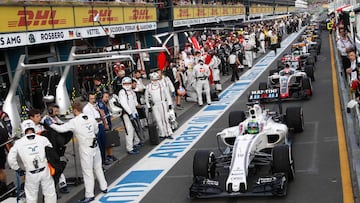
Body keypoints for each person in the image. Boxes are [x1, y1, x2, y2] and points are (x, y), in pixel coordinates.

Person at [48, 101, 107, 203]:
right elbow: (96, 130)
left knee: (87, 172)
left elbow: (61, 129)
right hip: (95, 144)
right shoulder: (90, 117)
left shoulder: (75, 121)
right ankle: (104, 187)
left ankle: (89, 194)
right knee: (98, 167)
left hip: (86, 148)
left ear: (75, 110)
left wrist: (50, 124)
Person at [7, 119, 57, 203]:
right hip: (44, 170)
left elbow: (10, 158)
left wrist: (17, 168)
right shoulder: (43, 139)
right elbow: (52, 152)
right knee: (50, 194)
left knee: (31, 197)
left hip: (31, 173)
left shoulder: (19, 143)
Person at [41, 104, 70, 194]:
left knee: (58, 165)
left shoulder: (55, 118)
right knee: (53, 166)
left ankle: (62, 184)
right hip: (48, 147)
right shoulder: (46, 119)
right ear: (50, 110)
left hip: (56, 145)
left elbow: (62, 124)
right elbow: (55, 127)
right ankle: (53, 188)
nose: (57, 113)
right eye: (55, 111)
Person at [83, 92, 109, 166]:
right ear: (88, 99)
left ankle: (103, 159)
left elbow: (102, 114)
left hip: (100, 125)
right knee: (99, 145)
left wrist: (105, 123)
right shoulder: (87, 108)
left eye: (94, 98)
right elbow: (90, 119)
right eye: (91, 99)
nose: (93, 100)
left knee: (104, 143)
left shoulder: (96, 106)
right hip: (94, 127)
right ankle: (99, 162)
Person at [145, 72, 174, 140]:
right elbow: (146, 97)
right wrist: (148, 106)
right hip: (154, 105)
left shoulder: (162, 85)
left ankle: (168, 132)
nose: (155, 81)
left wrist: (169, 104)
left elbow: (167, 94)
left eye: (156, 79)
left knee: (165, 118)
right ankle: (162, 133)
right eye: (153, 79)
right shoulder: (148, 86)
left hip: (162, 103)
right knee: (158, 120)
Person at [119, 77, 142, 155]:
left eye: (128, 83)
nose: (127, 85)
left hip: (133, 113)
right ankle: (130, 148)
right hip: (126, 114)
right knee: (129, 130)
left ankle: (136, 142)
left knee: (135, 128)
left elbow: (134, 103)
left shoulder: (132, 91)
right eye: (125, 84)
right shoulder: (122, 92)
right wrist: (130, 113)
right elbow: (124, 104)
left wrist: (135, 113)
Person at [97, 92, 117, 162]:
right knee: (106, 141)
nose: (107, 98)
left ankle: (110, 155)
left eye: (108, 97)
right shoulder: (100, 104)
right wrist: (105, 124)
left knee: (109, 140)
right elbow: (103, 115)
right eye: (105, 97)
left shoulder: (105, 103)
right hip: (105, 124)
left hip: (108, 122)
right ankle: (106, 156)